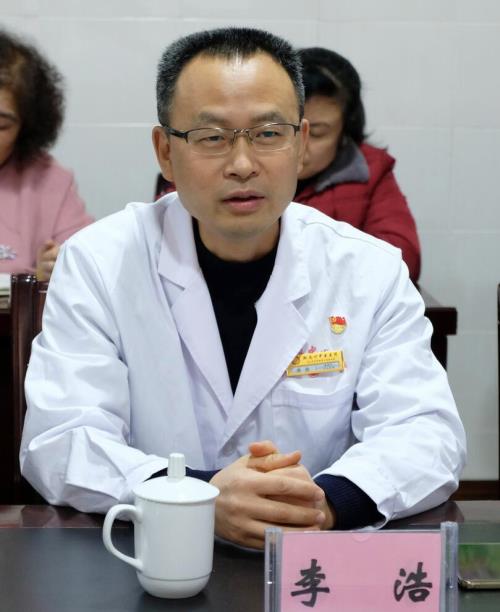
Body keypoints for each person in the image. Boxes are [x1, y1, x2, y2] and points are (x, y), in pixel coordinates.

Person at [21, 27, 465, 550]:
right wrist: (196, 498)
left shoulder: (369, 269)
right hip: (151, 555)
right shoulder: (98, 262)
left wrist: (325, 502)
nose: (242, 164)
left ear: (301, 143)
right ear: (165, 152)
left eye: (268, 133)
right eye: (212, 137)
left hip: (315, 559)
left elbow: (425, 432)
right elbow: (62, 439)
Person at [296, 47, 421, 282]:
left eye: (317, 133)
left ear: (345, 130)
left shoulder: (369, 170)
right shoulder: (249, 164)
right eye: (287, 130)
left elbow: (403, 259)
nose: (299, 146)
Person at [0, 29, 93, 281]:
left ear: (25, 127)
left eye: (2, 126)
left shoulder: (49, 181)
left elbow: (87, 260)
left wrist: (56, 268)